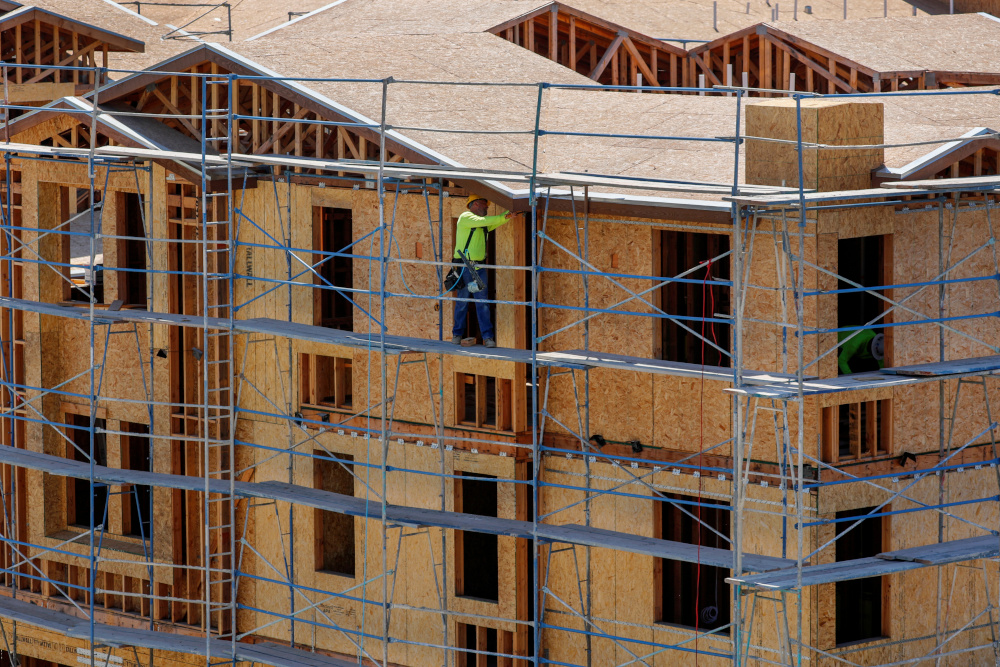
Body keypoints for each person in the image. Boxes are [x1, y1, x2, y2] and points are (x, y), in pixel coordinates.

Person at [452, 194, 513, 348]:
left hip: (478, 269)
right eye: (485, 204)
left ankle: (487, 337)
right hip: (466, 268)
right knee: (463, 301)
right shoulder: (465, 217)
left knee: (482, 303)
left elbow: (494, 222)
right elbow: (486, 221)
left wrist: (508, 215)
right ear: (476, 204)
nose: (487, 207)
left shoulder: (482, 223)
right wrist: (503, 216)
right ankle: (457, 334)